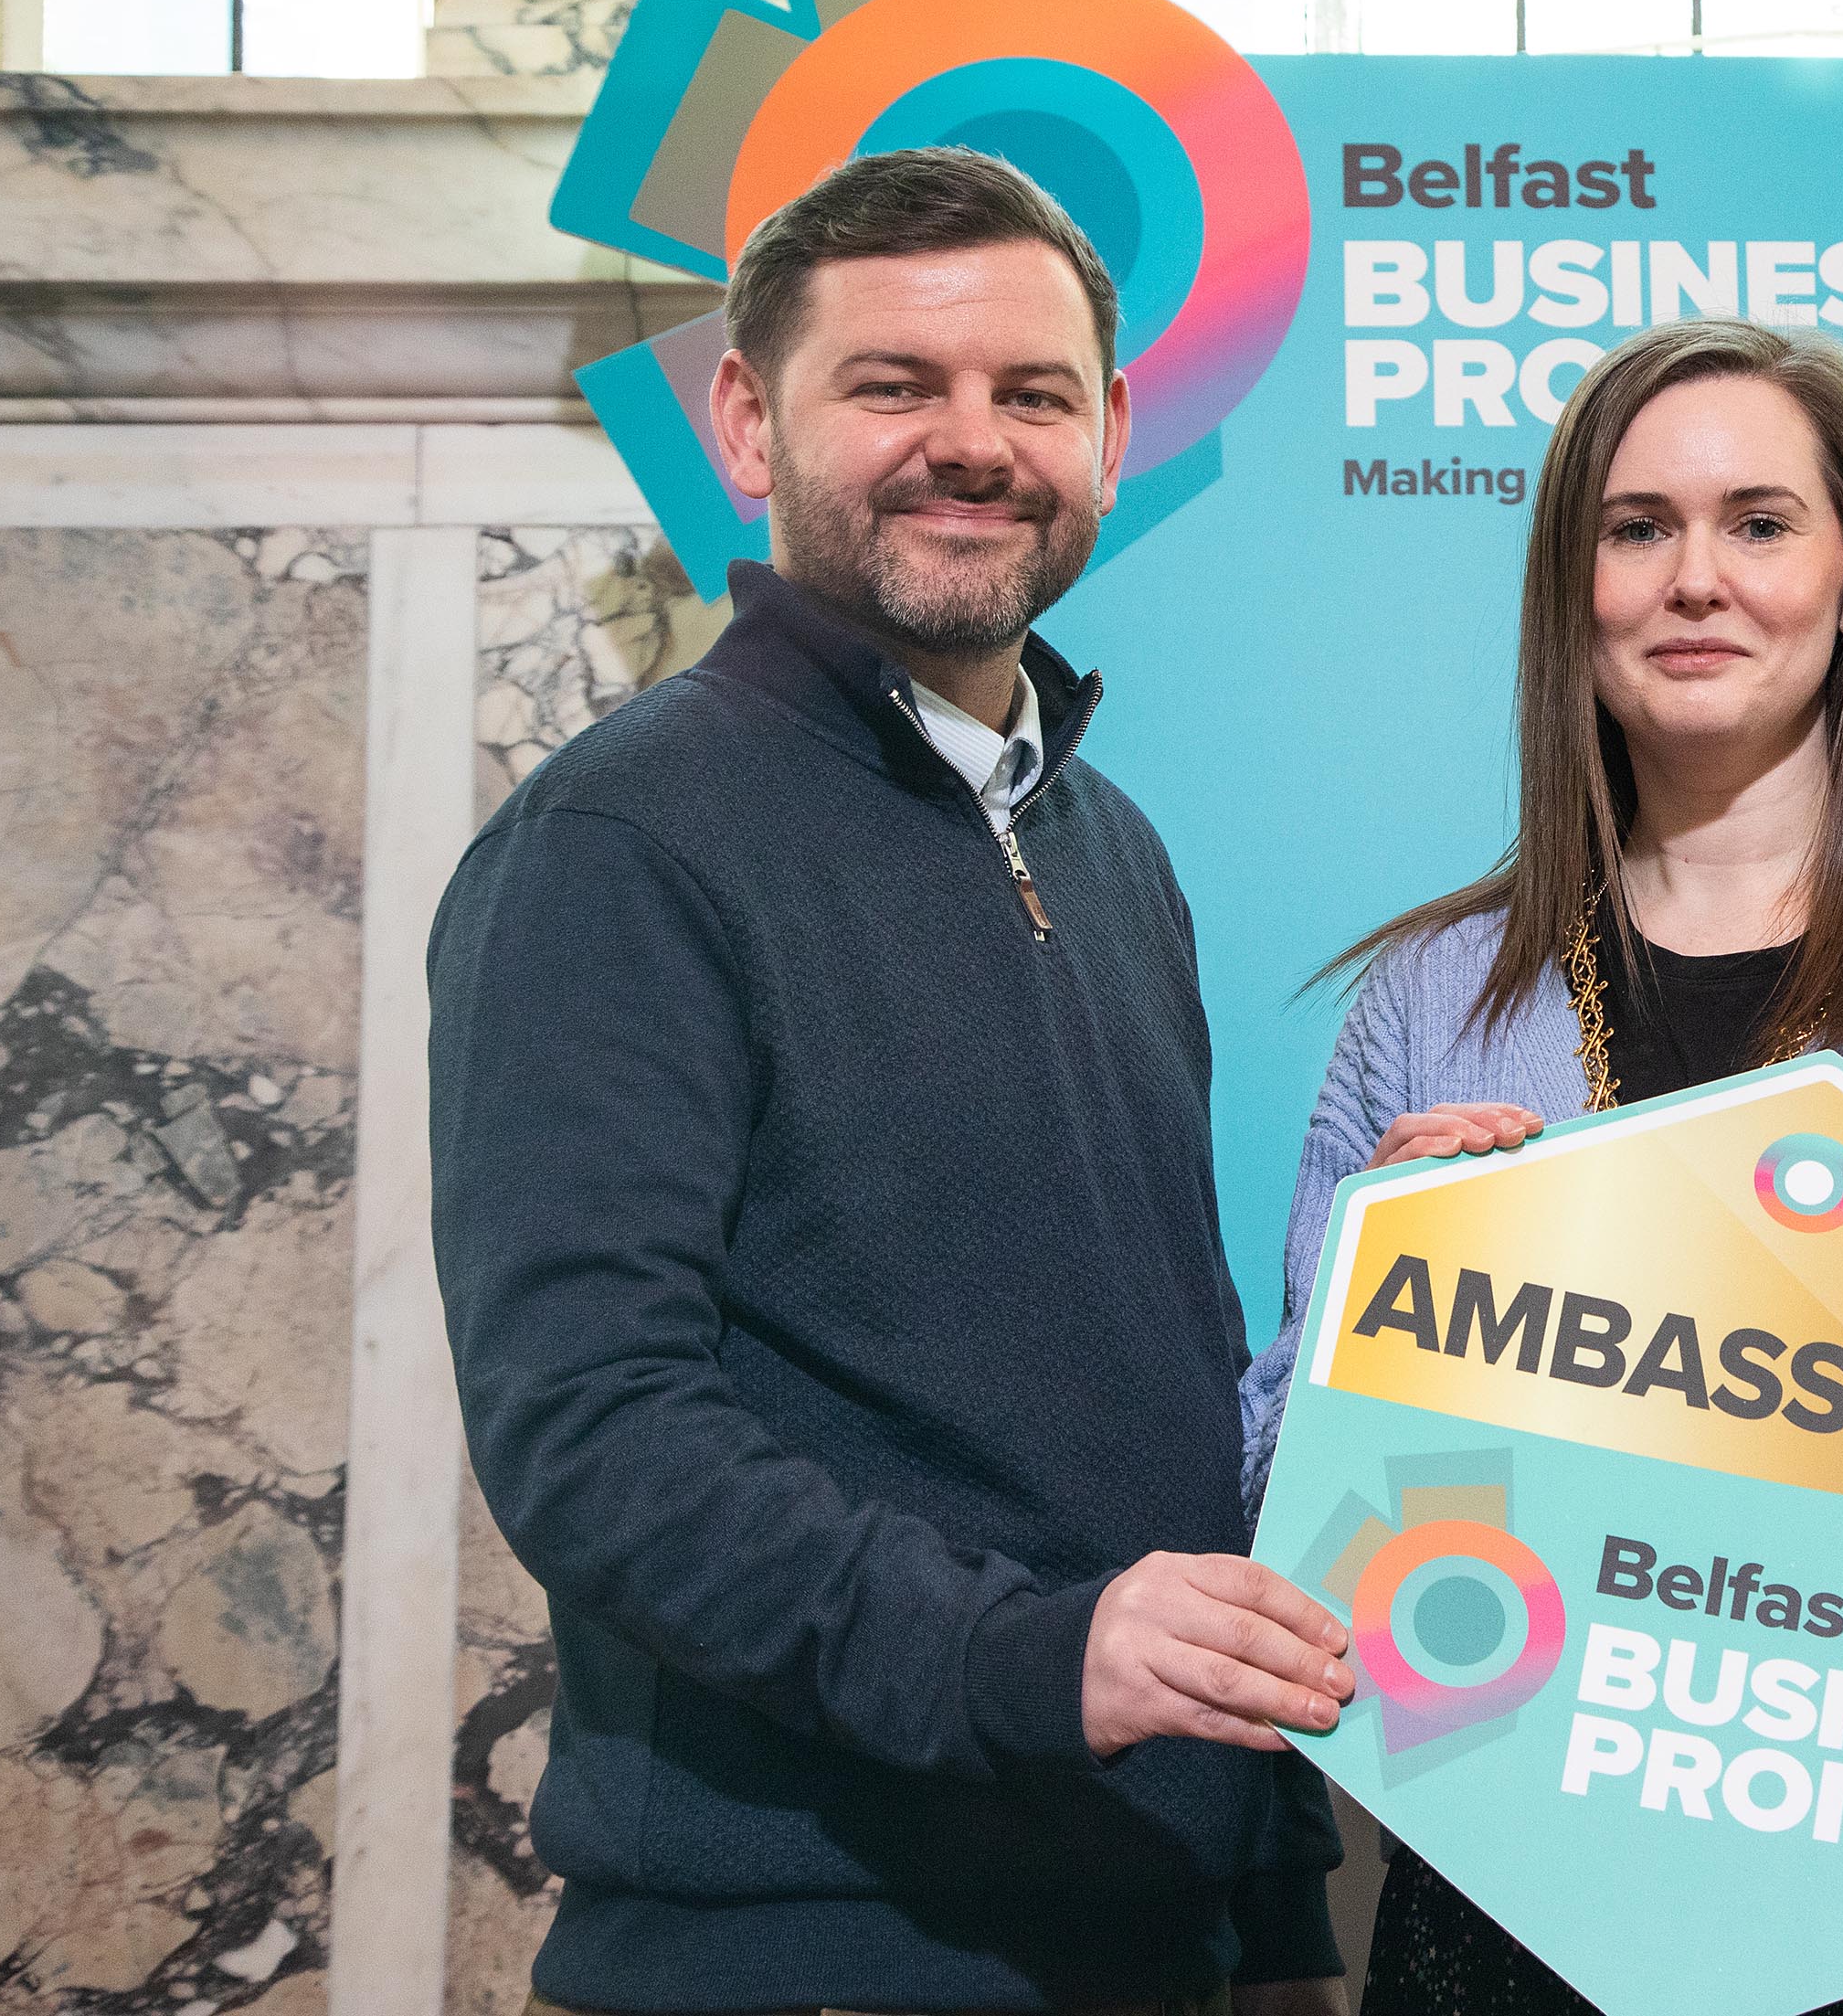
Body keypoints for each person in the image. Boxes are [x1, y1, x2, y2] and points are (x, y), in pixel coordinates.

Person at [430, 146, 1360, 2016]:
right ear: (749, 425)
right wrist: (1019, 1659)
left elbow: (1156, 1403)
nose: (971, 440)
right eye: (893, 385)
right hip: (799, 1963)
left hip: (1141, 1951)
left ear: (1109, 433)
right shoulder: (624, 837)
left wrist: (1265, 1914)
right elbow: (592, 1435)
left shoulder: (1115, 852)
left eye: (1029, 394)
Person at [1241, 318, 1843, 2016]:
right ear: (1574, 596)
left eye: (1761, 522)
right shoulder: (1433, 1000)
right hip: (1504, 1944)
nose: (1697, 577)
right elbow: (1282, 1523)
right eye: (1637, 528)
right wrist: (1366, 1317)